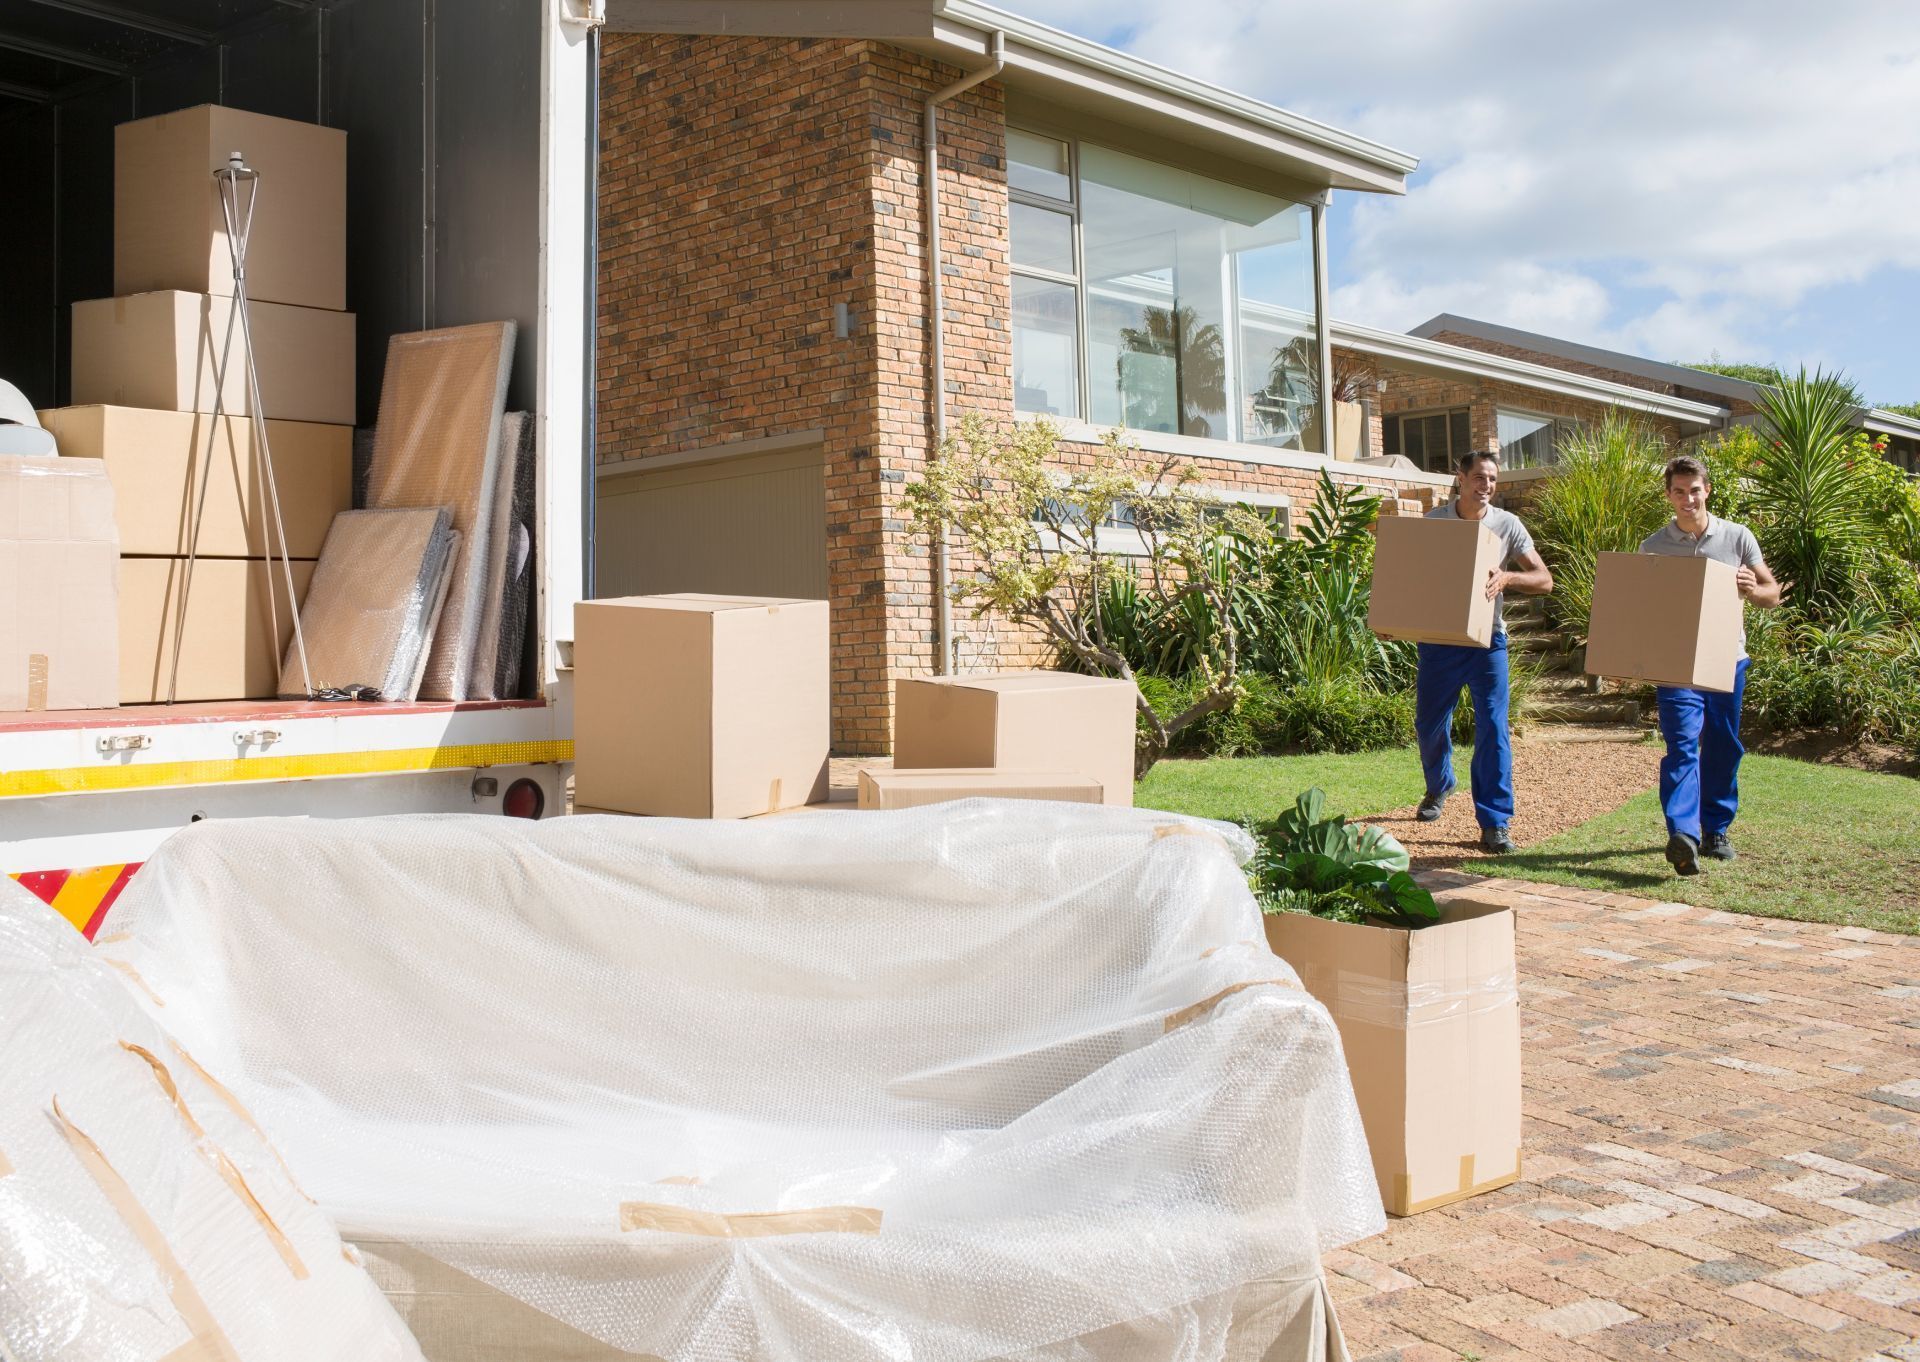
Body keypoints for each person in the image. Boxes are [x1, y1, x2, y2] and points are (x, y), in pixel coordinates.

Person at [1641, 454, 1780, 877]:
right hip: (1676, 663)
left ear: (1708, 490)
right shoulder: (1652, 547)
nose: (1688, 499)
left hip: (1726, 659)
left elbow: (1772, 593)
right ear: (1668, 495)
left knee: (1721, 744)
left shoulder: (1737, 537)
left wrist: (1753, 588)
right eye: (1679, 492)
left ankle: (1715, 828)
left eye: (1695, 490)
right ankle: (1683, 833)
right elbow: (1640, 609)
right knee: (1681, 745)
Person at [1414, 451, 1553, 853]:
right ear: (1460, 478)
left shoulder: (1508, 525)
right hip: (1439, 641)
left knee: (1493, 728)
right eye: (1478, 477)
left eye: (1492, 479)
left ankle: (1495, 822)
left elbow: (1544, 579)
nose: (1486, 486)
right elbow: (1413, 578)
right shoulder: (1434, 523)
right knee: (1429, 724)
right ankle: (1440, 785)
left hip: (1488, 642)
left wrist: (1508, 576)